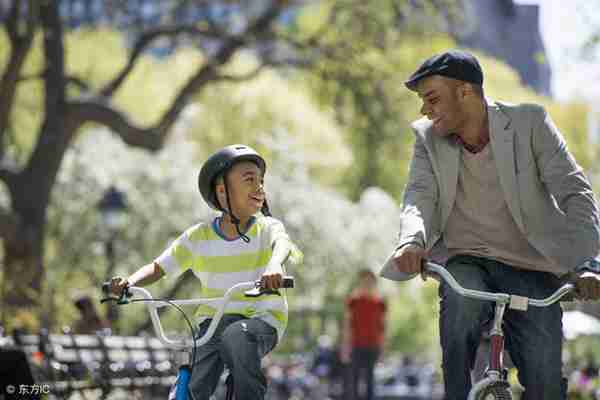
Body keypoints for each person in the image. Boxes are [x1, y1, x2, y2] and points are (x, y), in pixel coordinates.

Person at [380, 49, 600, 399]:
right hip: (468, 258)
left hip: (532, 266)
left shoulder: (530, 123)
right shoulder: (428, 138)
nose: (424, 110)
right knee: (459, 308)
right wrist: (411, 241)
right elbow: (418, 197)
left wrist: (588, 263)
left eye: (432, 98)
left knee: (545, 380)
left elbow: (575, 192)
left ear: (465, 92)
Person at [109, 144, 302, 400]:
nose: (260, 187)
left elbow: (282, 245)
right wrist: (130, 282)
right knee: (193, 380)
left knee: (237, 337)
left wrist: (274, 265)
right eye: (249, 179)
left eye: (261, 181)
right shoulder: (199, 237)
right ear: (222, 192)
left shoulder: (267, 228)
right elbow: (158, 267)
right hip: (213, 323)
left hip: (261, 318)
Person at [341, 269, 386, 400]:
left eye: (370, 281)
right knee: (353, 379)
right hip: (356, 344)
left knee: (370, 379)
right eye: (364, 280)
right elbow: (347, 324)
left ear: (374, 282)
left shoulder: (380, 303)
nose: (367, 283)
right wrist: (345, 346)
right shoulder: (353, 301)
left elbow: (383, 327)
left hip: (373, 345)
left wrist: (383, 349)